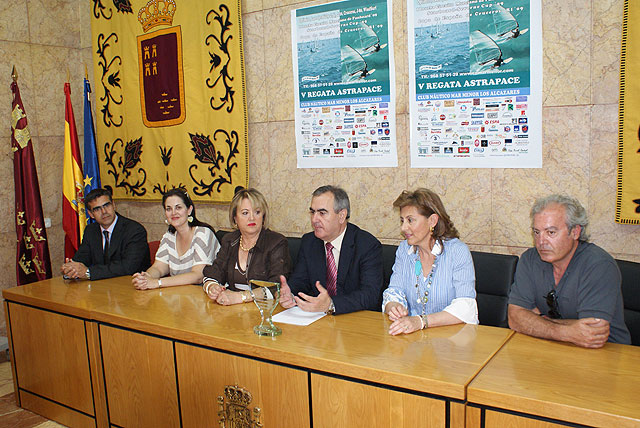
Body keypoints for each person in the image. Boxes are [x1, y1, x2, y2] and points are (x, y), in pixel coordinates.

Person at [508, 195, 631, 347]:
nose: (541, 242)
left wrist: (538, 320)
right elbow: (514, 318)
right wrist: (566, 331)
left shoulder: (598, 265)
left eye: (551, 232)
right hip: (552, 347)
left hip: (605, 352)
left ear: (575, 232)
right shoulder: (530, 259)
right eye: (537, 232)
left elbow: (591, 333)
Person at [382, 188, 477, 335]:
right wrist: (394, 306)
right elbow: (395, 290)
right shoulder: (404, 250)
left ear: (432, 221)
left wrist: (421, 321)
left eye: (410, 220)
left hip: (453, 339)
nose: (403, 228)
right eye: (402, 220)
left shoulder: (457, 252)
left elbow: (466, 306)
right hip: (413, 337)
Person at [279, 185, 384, 315]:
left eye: (322, 213)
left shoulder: (367, 245)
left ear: (341, 216)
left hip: (355, 318)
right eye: (312, 212)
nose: (314, 219)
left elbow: (370, 295)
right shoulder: (309, 242)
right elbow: (300, 280)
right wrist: (289, 293)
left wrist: (331, 305)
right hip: (317, 318)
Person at [202, 188, 291, 305]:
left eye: (257, 212)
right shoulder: (229, 241)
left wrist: (242, 297)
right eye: (245, 213)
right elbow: (214, 273)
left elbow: (276, 286)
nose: (252, 218)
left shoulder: (276, 242)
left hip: (263, 309)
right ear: (235, 218)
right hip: (232, 308)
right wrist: (212, 287)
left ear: (263, 216)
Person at [132, 188, 220, 290]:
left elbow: (198, 276)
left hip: (207, 293)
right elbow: (158, 268)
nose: (173, 213)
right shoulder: (169, 237)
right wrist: (146, 277)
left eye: (178, 207)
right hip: (180, 294)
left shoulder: (203, 233)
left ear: (189, 210)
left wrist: (158, 282)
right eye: (168, 209)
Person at [61, 188, 150, 280]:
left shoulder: (134, 230)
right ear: (91, 214)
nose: (104, 212)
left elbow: (128, 267)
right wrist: (71, 268)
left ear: (113, 205)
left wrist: (88, 272)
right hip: (102, 285)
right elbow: (82, 257)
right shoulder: (91, 230)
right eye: (97, 209)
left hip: (132, 284)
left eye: (106, 205)